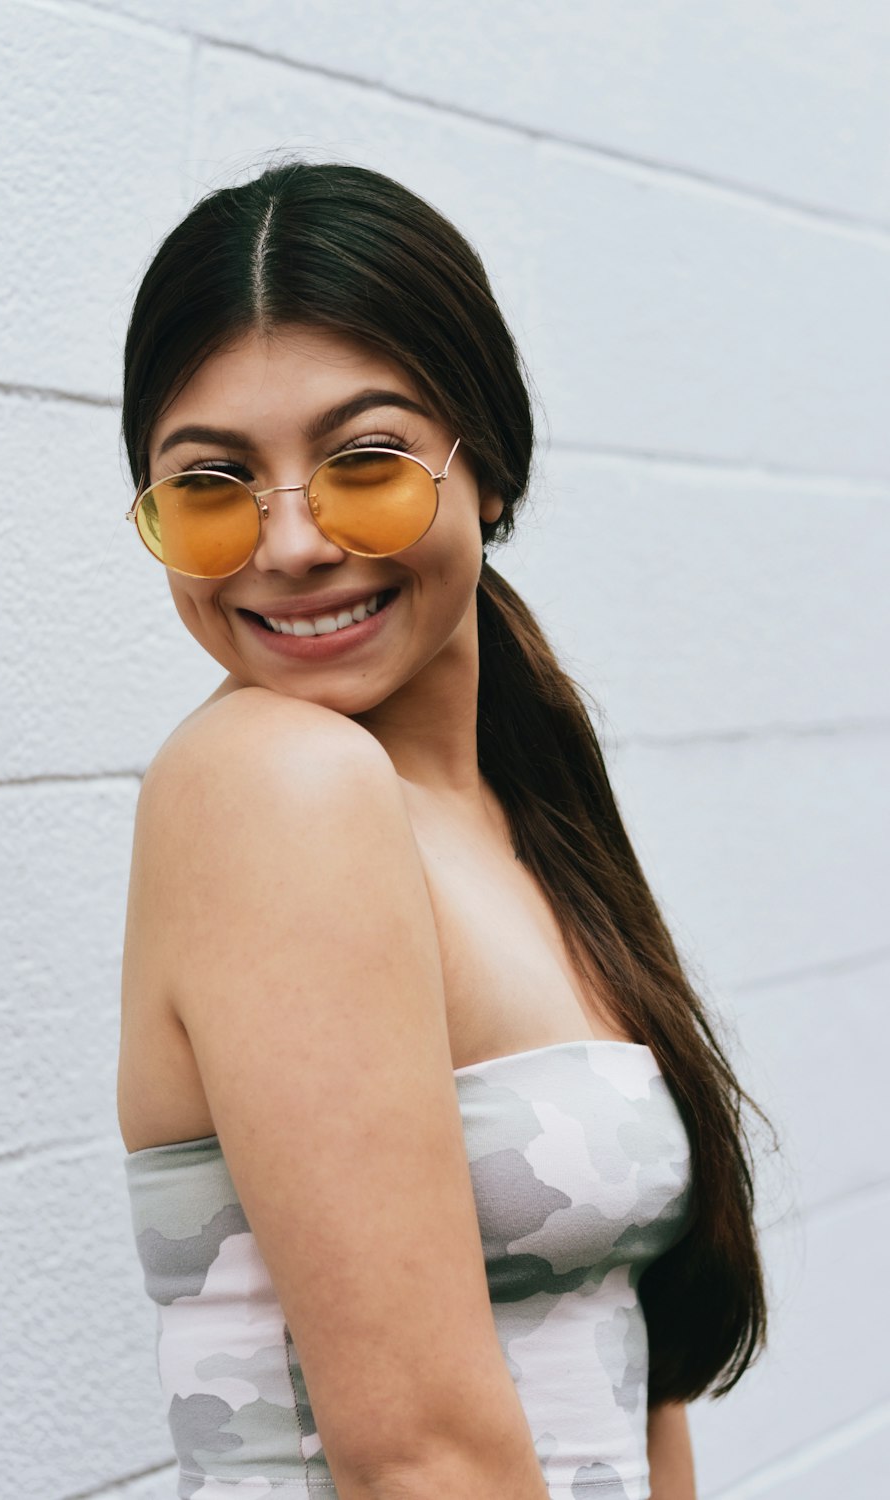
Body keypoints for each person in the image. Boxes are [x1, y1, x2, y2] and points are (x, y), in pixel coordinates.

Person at [117, 159, 769, 1500]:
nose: (290, 543)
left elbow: (632, 1365)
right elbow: (420, 1458)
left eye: (365, 463)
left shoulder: (523, 808)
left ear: (492, 464)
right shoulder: (275, 783)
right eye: (212, 484)